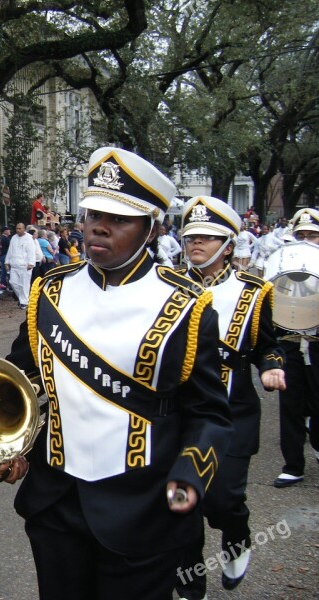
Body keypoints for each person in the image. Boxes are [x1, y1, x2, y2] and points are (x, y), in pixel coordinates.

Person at [0, 147, 232, 599]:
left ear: (151, 228)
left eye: (119, 219)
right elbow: (19, 380)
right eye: (93, 214)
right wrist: (9, 443)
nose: (99, 226)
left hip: (143, 509)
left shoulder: (184, 305)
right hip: (56, 503)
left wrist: (191, 473)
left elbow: (210, 414)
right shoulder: (50, 291)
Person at [176, 196, 286, 598]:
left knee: (223, 500)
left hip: (232, 412)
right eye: (191, 237)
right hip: (179, 414)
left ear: (228, 244)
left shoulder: (255, 292)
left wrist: (272, 365)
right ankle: (190, 585)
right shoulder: (165, 287)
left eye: (207, 237)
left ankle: (236, 538)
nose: (196, 245)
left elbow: (268, 345)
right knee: (179, 504)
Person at [273, 208, 319, 489]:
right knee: (290, 406)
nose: (306, 240)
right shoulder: (285, 266)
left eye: (312, 236)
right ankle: (293, 465)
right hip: (291, 344)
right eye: (300, 235)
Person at [4, 222, 35, 308]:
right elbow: (10, 250)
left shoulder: (29, 238)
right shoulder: (14, 238)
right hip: (14, 264)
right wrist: (7, 262)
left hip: (25, 265)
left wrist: (31, 263)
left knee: (24, 284)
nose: (17, 230)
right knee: (13, 282)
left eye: (19, 228)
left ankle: (23, 302)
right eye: (17, 228)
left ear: (24, 229)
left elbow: (31, 251)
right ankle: (22, 299)